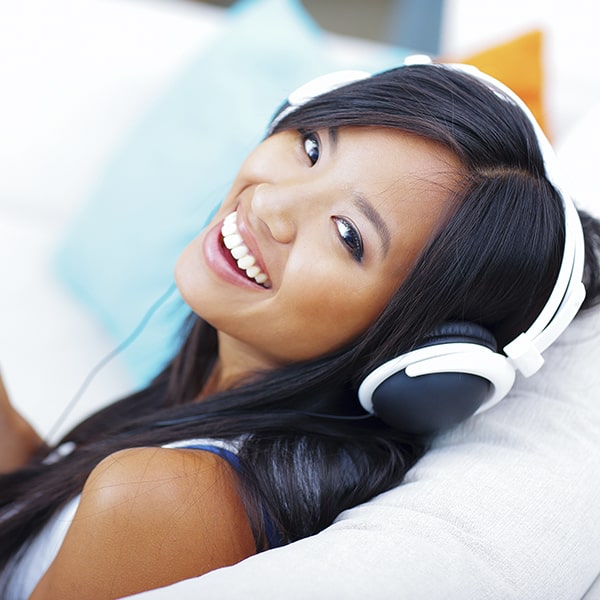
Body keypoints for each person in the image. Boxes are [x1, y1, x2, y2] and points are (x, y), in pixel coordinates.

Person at [1, 62, 600, 600]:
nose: (271, 204)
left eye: (347, 235)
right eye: (312, 148)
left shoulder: (168, 500)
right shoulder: (216, 423)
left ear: (419, 359)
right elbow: (41, 523)